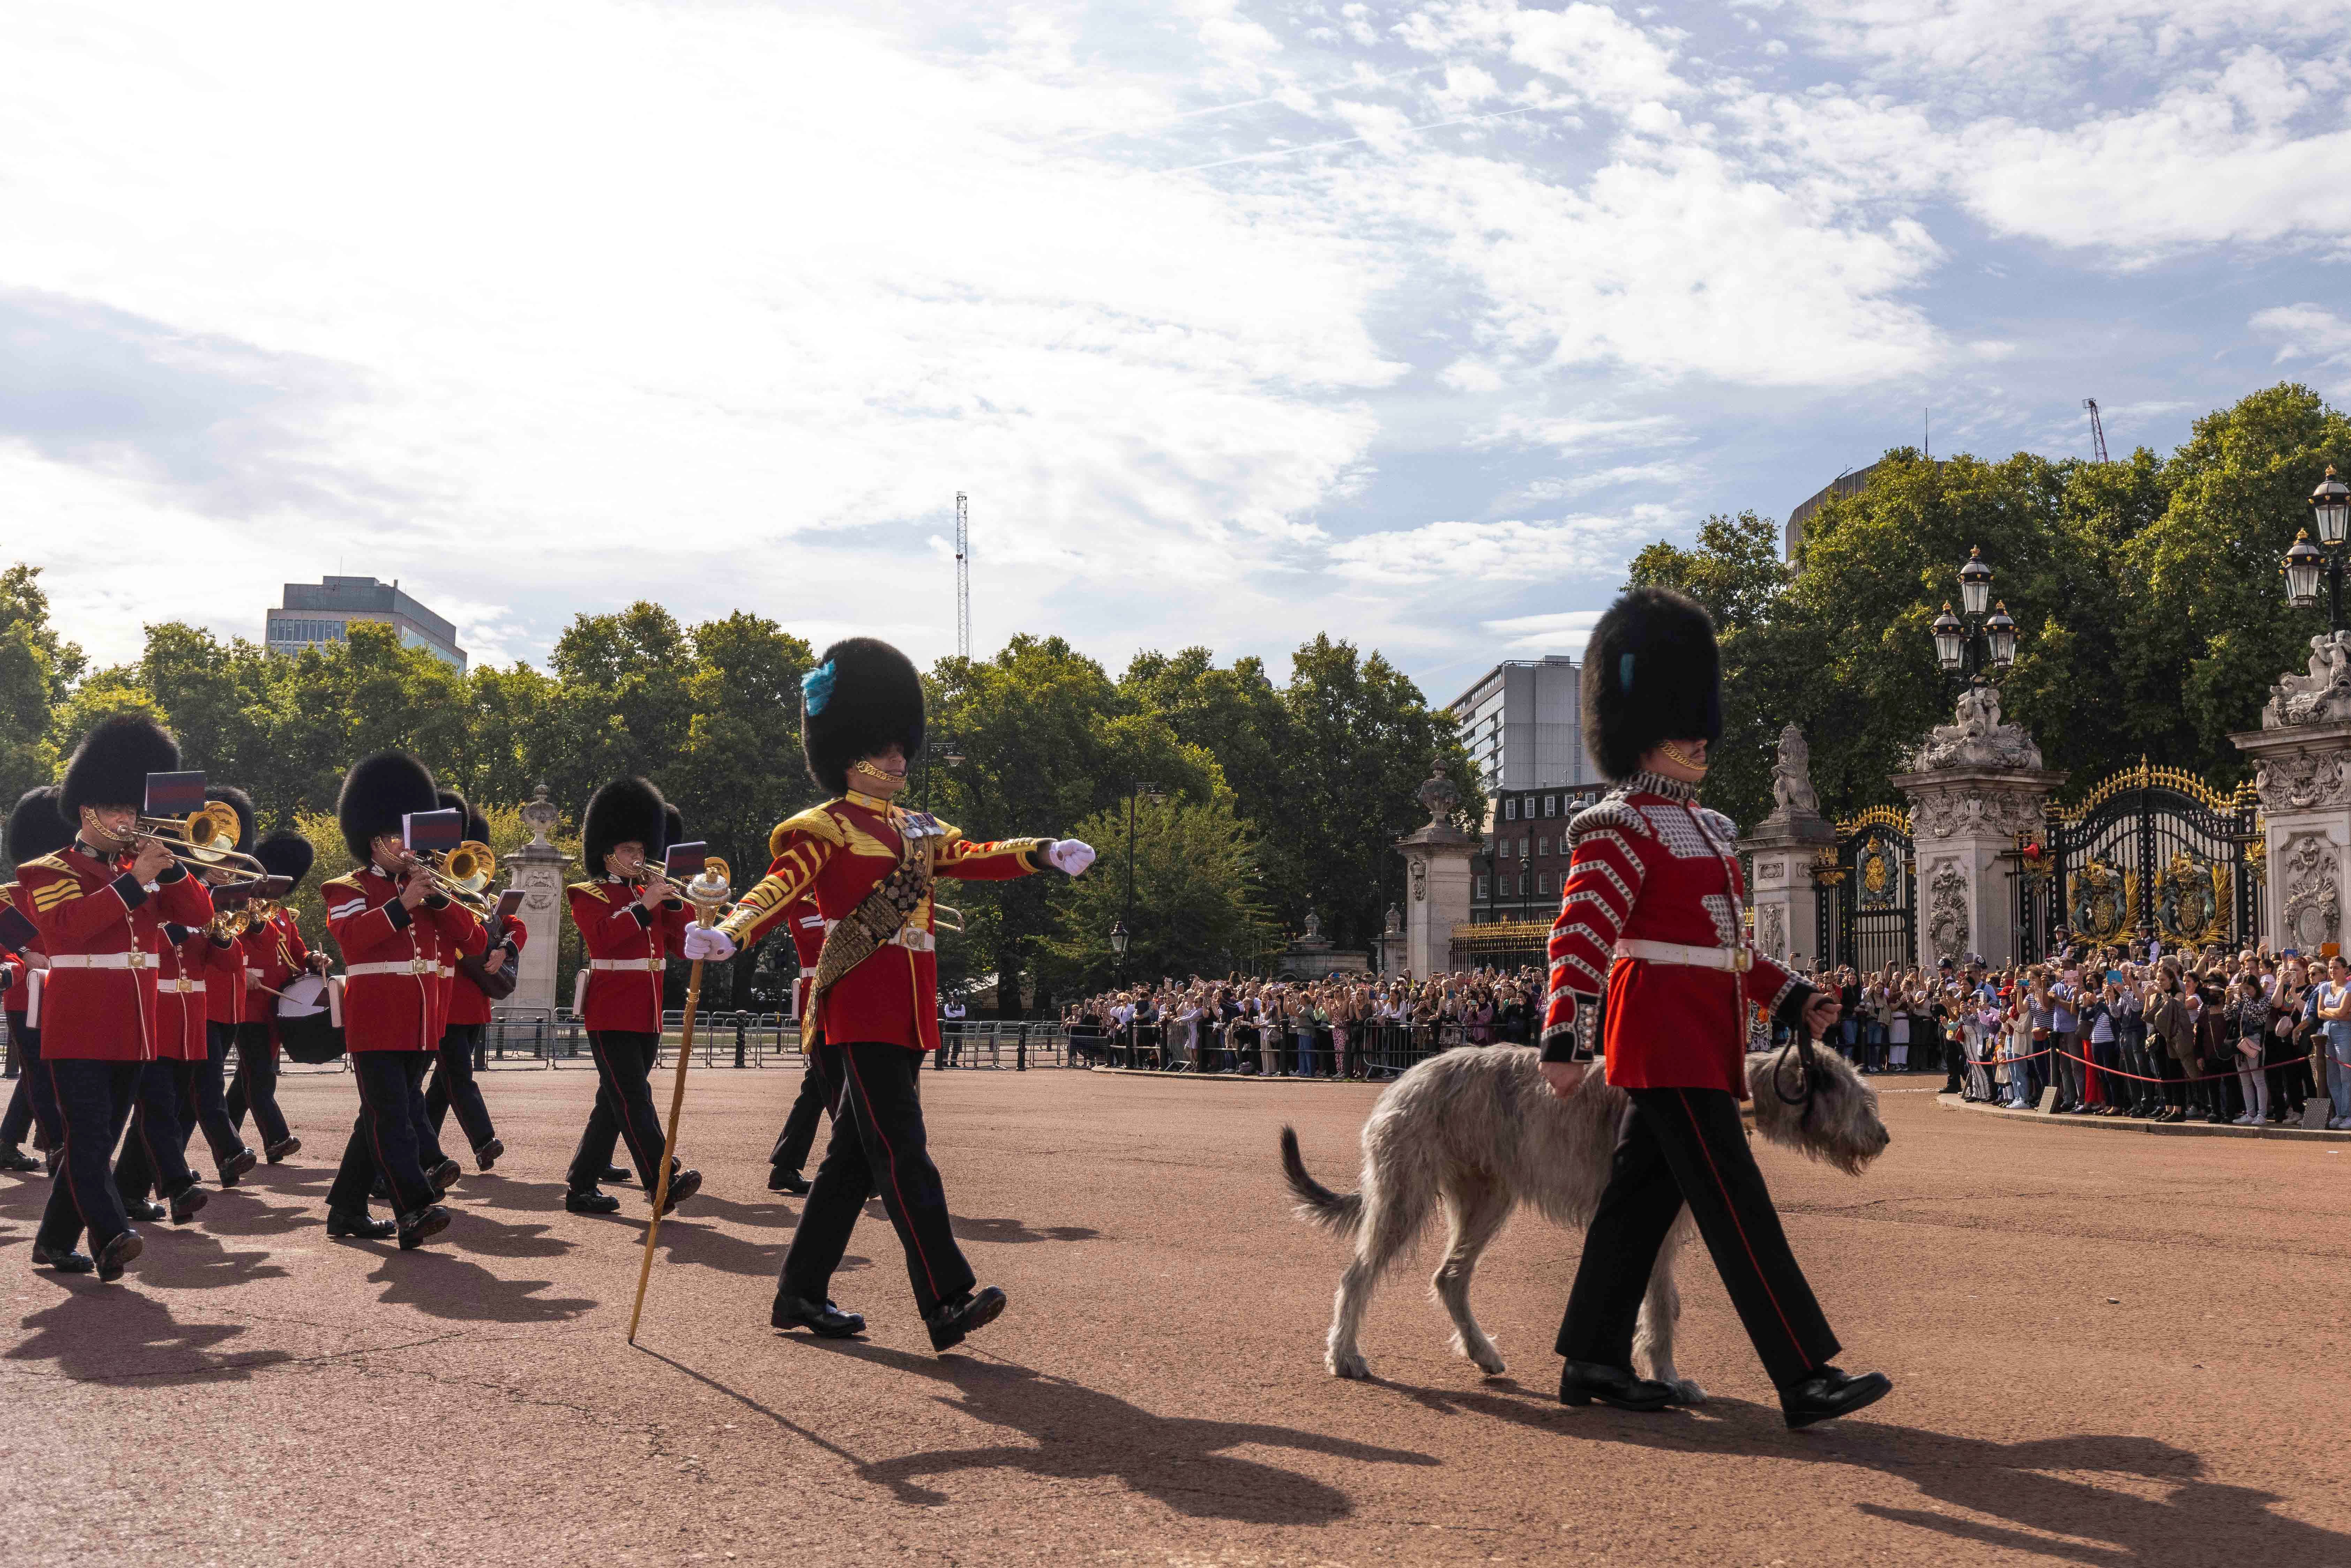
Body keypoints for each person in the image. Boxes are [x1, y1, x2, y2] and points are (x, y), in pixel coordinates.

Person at [1538, 587, 1888, 1430]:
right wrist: (1564, 1033)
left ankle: (1592, 1356)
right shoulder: (1618, 827)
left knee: (1638, 1202)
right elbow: (1580, 936)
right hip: (1661, 1038)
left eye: (1700, 719)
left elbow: (1727, 945)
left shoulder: (1710, 827)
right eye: (1679, 722)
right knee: (1737, 1201)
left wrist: (1791, 992)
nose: (1699, 735)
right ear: (1639, 728)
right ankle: (1804, 1372)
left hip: (1701, 1035)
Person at [705, 636, 1096, 1352]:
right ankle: (946, 1298)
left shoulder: (918, 829)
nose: (897, 759)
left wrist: (1042, 851)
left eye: (900, 747)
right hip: (858, 1007)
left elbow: (975, 856)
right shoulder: (820, 826)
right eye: (882, 748)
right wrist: (732, 930)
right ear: (846, 751)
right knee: (903, 1153)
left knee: (851, 1162)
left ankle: (799, 1291)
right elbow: (779, 887)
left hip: (909, 1011)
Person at [21, 715, 217, 1280]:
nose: (128, 820)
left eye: (132, 811)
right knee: (86, 1138)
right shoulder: (49, 869)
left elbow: (200, 917)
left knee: (99, 1140)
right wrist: (136, 883)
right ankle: (111, 1234)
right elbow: (69, 927)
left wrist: (173, 869)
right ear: (87, 811)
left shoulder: (146, 868)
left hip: (134, 1028)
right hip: (78, 1025)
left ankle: (55, 1241)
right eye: (117, 811)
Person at [318, 751, 478, 1248]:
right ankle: (413, 1205)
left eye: (411, 838)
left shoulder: (432, 889)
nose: (407, 848)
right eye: (396, 838)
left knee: (378, 1116)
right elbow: (352, 939)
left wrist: (439, 902)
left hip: (423, 1021)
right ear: (373, 840)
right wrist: (402, 904)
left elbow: (473, 944)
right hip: (375, 1020)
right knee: (396, 1118)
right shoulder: (347, 887)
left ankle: (347, 1208)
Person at [564, 777, 700, 1216]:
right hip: (611, 1011)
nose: (639, 858)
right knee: (634, 1098)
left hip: (648, 1011)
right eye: (628, 851)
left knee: (614, 1101)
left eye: (641, 851)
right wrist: (645, 906)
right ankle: (661, 1179)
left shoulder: (650, 893)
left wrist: (683, 905)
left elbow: (680, 945)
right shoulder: (587, 894)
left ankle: (581, 1186)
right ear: (606, 854)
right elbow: (604, 941)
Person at [427, 799, 521, 1172]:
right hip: (444, 1003)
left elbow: (516, 924)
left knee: (442, 1085)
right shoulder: (439, 898)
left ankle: (424, 1146)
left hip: (474, 1004)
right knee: (457, 1076)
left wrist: (506, 946)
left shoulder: (483, 900)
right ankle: (483, 1140)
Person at [231, 828, 326, 1161]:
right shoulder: (239, 912)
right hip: (248, 1005)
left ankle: (225, 1141)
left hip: (276, 1005)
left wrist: (315, 961)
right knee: (260, 1076)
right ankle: (277, 1138)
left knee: (248, 1080)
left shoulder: (282, 916)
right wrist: (239, 975)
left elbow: (297, 954)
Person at [0, 786, 73, 1173]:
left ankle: (7, 1142)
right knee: (42, 1074)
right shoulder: (8, 897)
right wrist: (26, 955)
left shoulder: (71, 891)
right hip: (26, 997)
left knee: (43, 1073)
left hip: (70, 992)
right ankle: (59, 1144)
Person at [767, 894, 838, 1195]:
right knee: (839, 1088)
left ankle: (785, 1166)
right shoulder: (806, 905)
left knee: (817, 1091)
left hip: (845, 1002)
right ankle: (867, 1164)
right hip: (822, 1005)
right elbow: (825, 945)